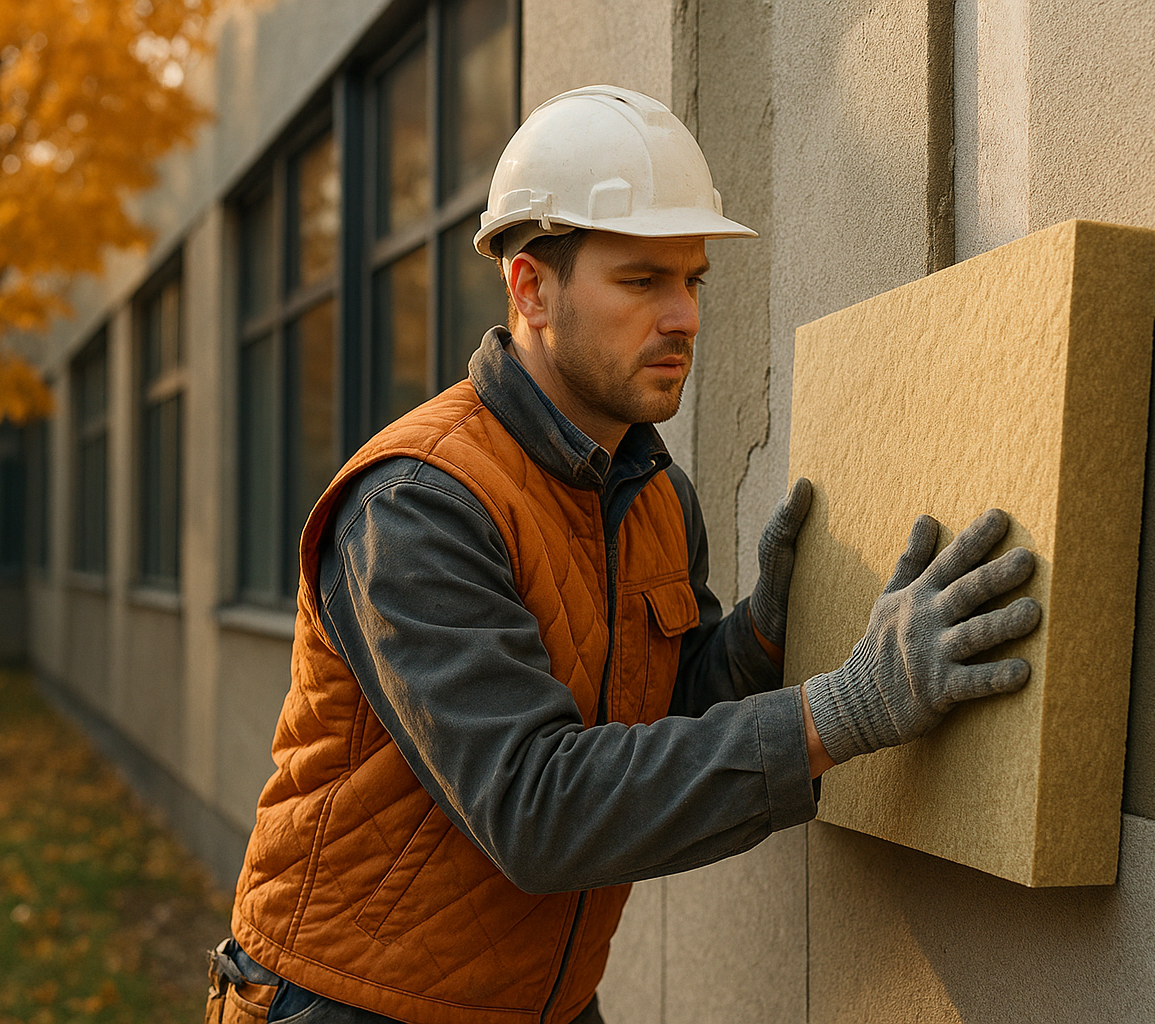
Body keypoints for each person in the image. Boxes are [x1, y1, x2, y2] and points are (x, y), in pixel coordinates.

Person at [207, 85, 1041, 1024]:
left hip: (546, 1002)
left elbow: (661, 715)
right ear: (531, 288)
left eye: (692, 280)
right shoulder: (416, 504)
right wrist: (846, 708)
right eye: (642, 282)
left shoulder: (649, 491)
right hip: (350, 1006)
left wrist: (763, 643)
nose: (683, 316)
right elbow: (538, 809)